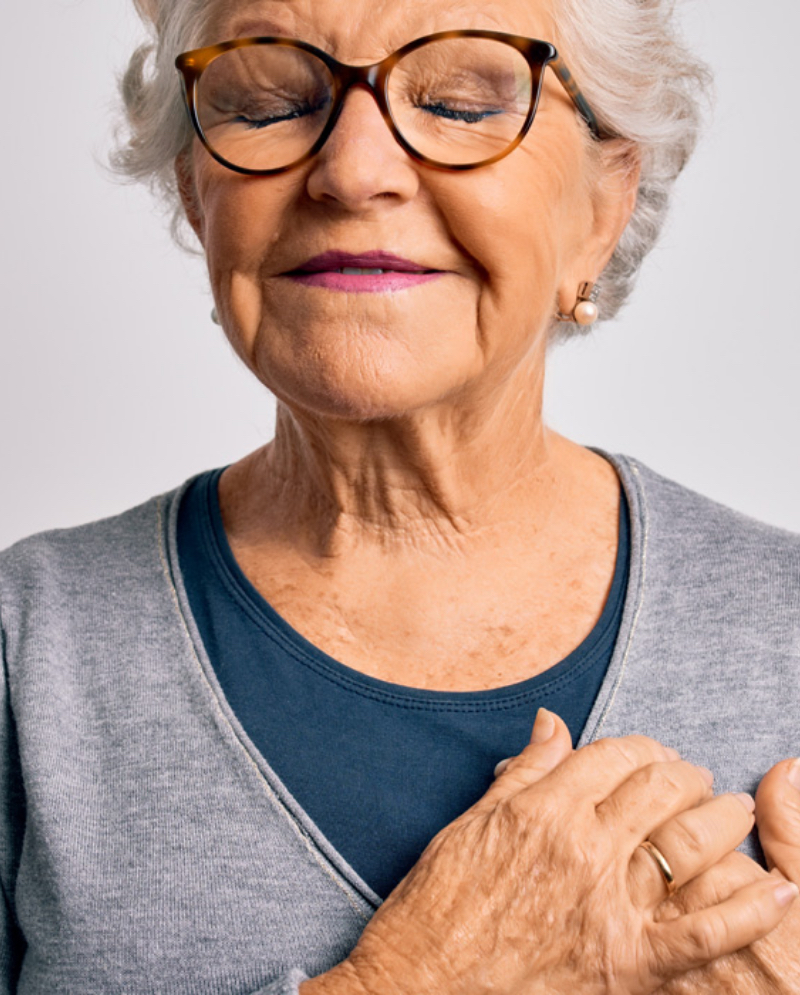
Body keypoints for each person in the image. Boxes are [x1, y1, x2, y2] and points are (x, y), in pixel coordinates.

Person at [1, 0, 799, 992]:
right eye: (267, 102)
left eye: (461, 103)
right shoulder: (26, 645)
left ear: (601, 203)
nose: (349, 171)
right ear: (195, 189)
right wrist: (413, 977)